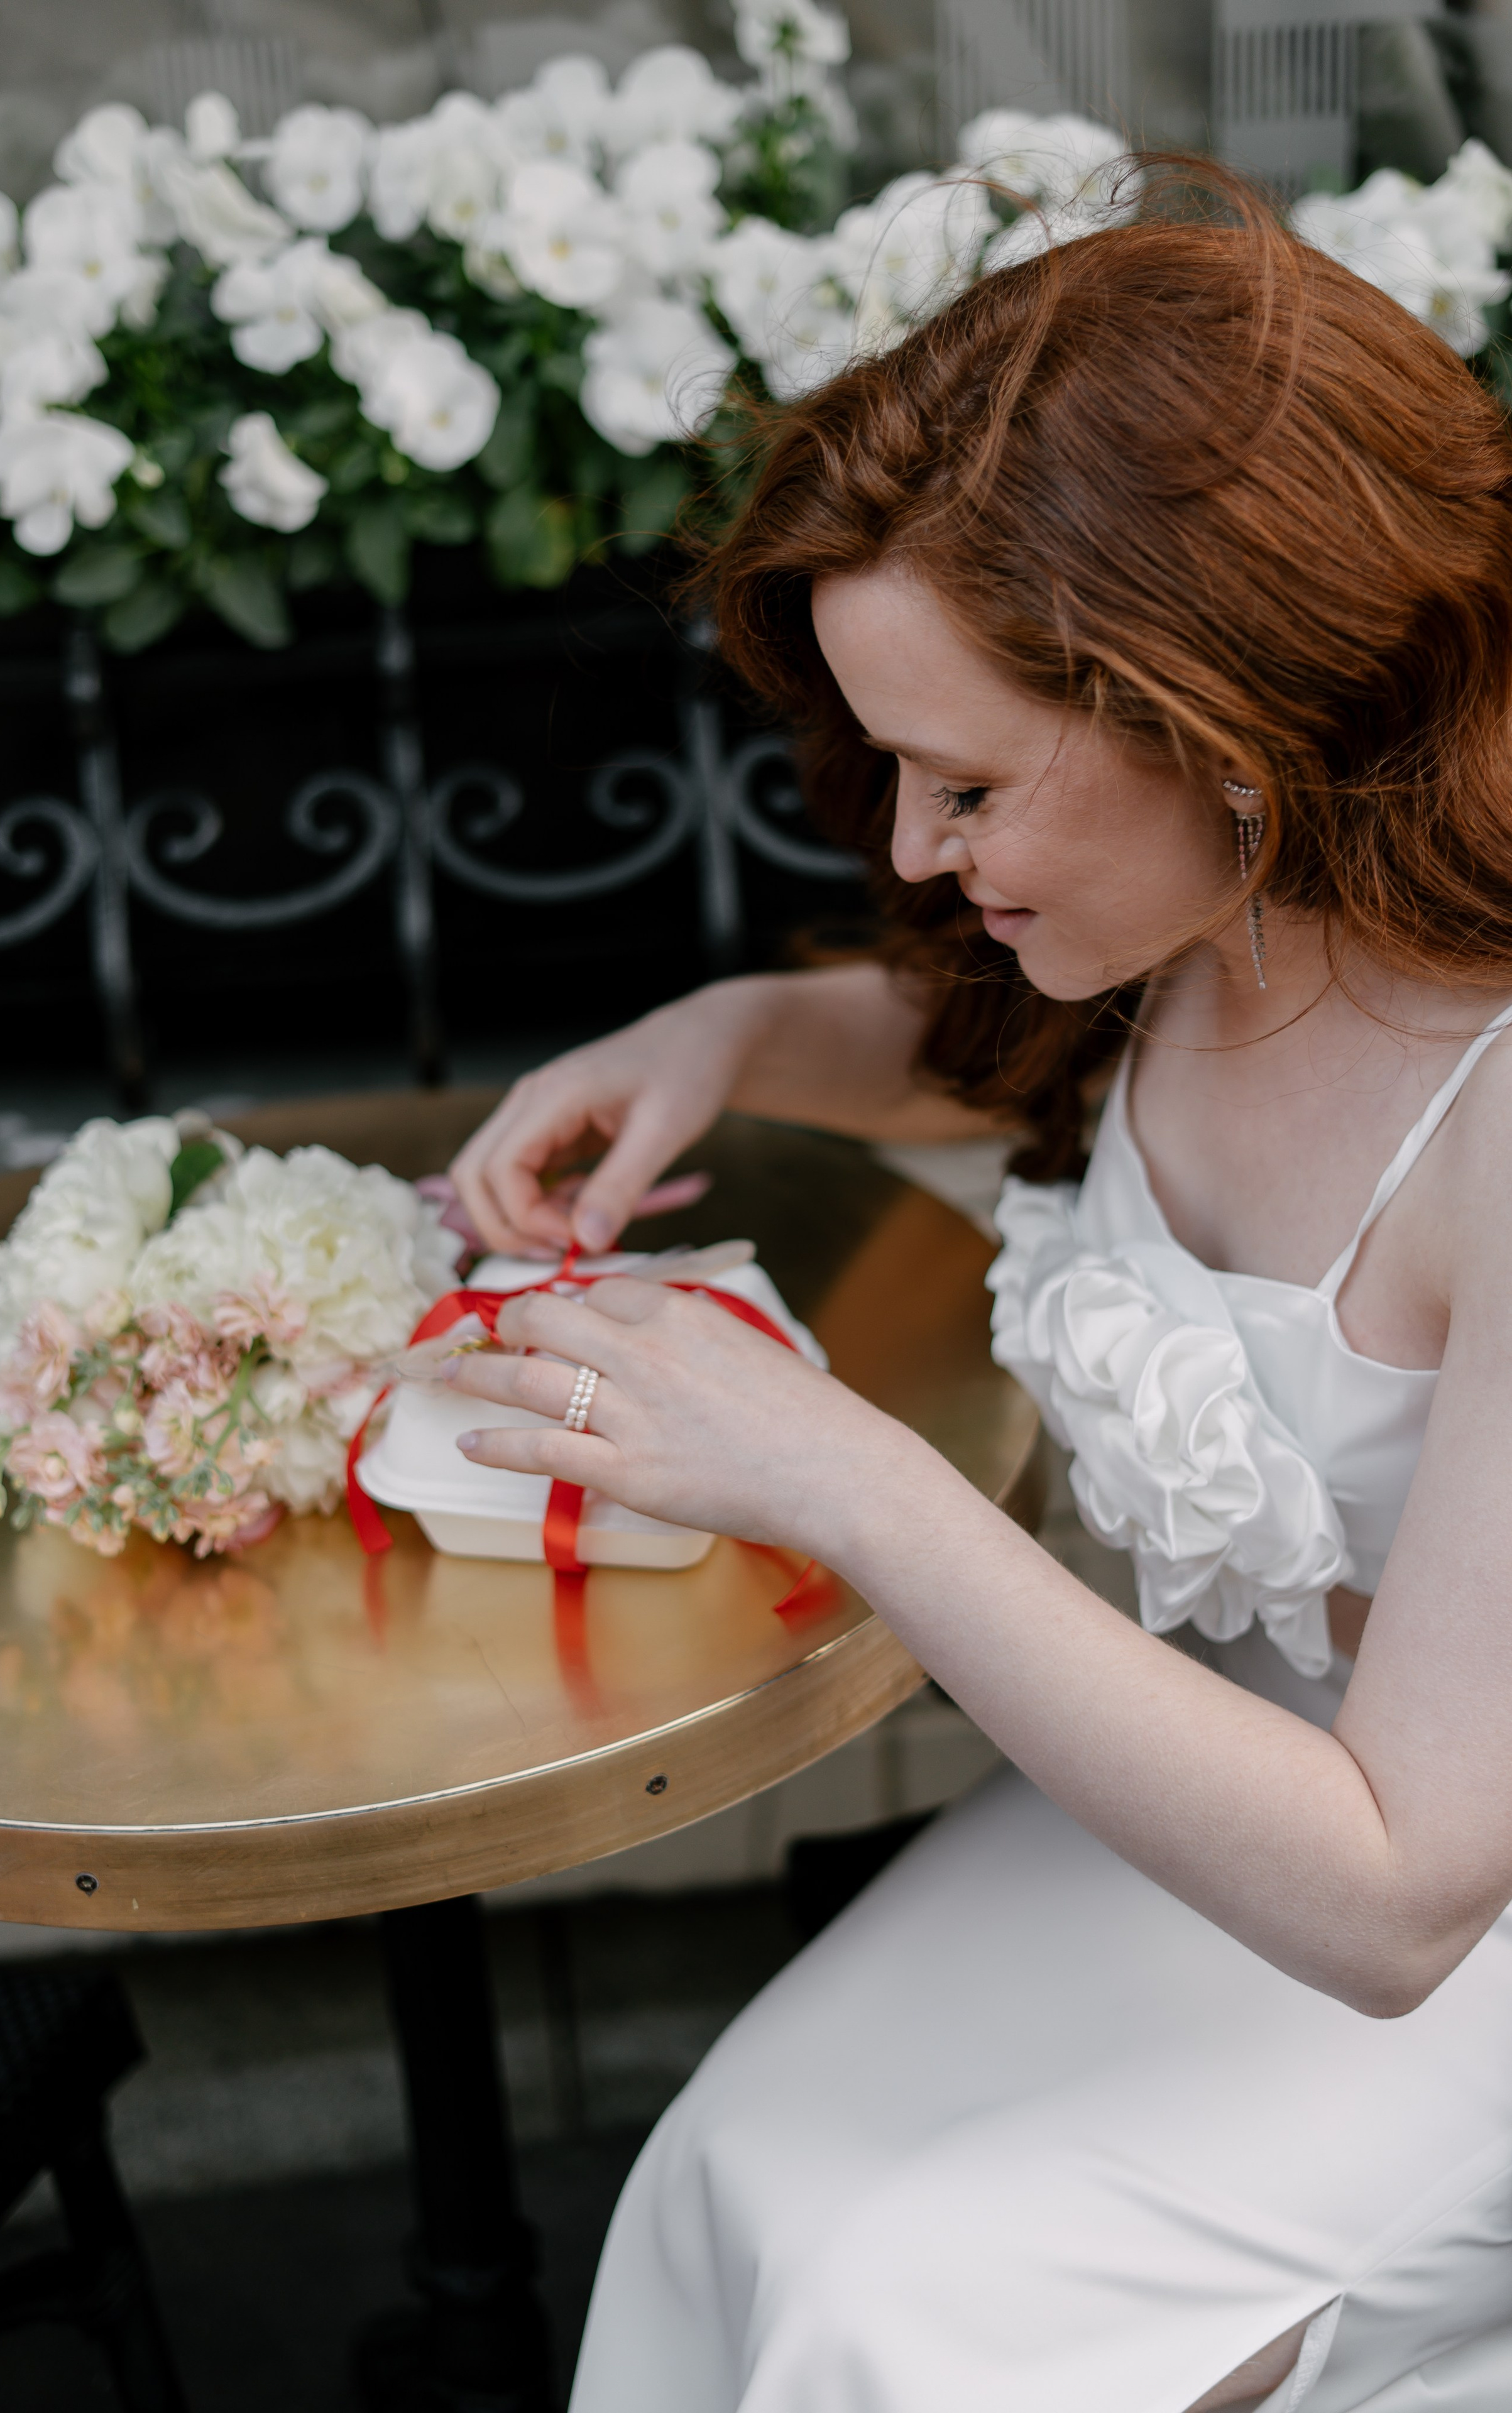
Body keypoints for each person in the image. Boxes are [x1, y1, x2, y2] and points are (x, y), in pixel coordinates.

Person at [442, 177, 1512, 2412]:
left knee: (906, 2308)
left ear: (1218, 720)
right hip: (1206, 1805)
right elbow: (968, 1035)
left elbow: (1406, 1896)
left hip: (1434, 1918)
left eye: (968, 784)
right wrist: (726, 1030)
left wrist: (847, 1483)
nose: (916, 855)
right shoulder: (1215, 925)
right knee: (731, 2175)